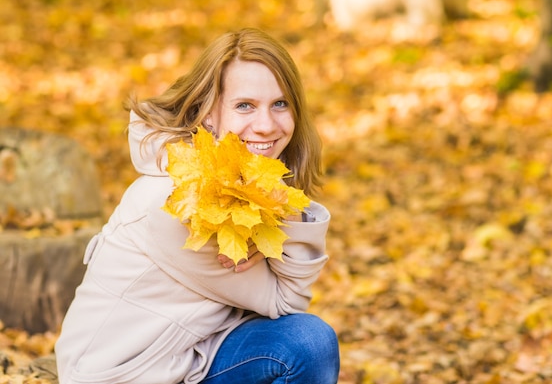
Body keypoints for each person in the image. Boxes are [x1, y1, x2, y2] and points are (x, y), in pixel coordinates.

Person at [55, 28, 340, 384]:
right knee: (308, 341)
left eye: (280, 104)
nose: (266, 125)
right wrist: (284, 227)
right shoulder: (177, 204)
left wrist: (271, 237)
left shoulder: (241, 186)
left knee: (303, 342)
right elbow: (286, 301)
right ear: (208, 114)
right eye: (244, 106)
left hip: (188, 358)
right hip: (125, 375)